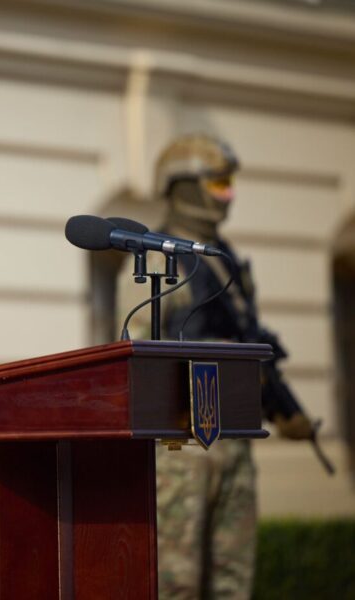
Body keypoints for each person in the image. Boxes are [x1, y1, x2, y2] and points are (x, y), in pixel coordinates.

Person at [118, 133, 316, 599]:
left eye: (229, 185)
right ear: (186, 185)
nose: (228, 196)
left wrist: (281, 408)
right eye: (218, 184)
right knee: (175, 580)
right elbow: (133, 354)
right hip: (181, 450)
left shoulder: (226, 261)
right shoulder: (156, 258)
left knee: (232, 580)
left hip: (233, 439)